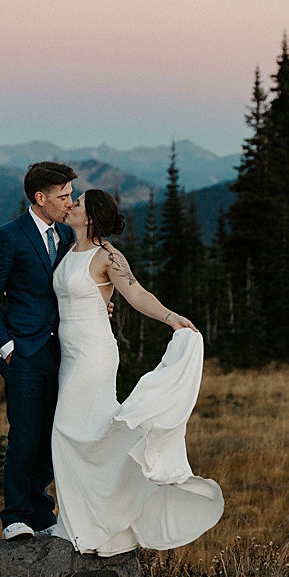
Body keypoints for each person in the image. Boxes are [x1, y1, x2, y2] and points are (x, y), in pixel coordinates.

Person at [50, 188, 223, 556]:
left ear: (91, 216)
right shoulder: (68, 248)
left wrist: (170, 317)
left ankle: (99, 521)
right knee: (84, 437)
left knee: (68, 433)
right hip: (69, 355)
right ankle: (81, 522)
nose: (70, 205)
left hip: (94, 354)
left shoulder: (108, 255)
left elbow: (137, 293)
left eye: (76, 202)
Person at [0, 161, 78, 540]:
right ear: (41, 198)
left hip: (61, 351)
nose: (71, 202)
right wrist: (5, 347)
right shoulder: (8, 237)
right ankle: (15, 517)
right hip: (23, 354)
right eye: (64, 196)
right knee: (24, 434)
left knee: (50, 434)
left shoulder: (66, 236)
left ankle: (40, 511)